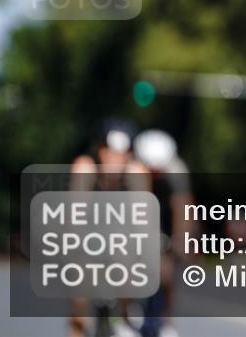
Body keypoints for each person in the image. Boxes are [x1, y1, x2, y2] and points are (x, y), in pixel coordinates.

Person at [69, 119, 149, 337]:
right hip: (87, 240)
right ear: (99, 149)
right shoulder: (85, 167)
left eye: (122, 153)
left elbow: (143, 221)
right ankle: (77, 329)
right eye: (109, 151)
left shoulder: (136, 173)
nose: (115, 159)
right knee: (80, 292)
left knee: (127, 258)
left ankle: (124, 317)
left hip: (122, 243)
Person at [133, 129, 196, 337]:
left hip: (164, 220)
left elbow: (183, 208)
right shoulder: (131, 168)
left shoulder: (177, 169)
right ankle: (124, 318)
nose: (155, 173)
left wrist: (181, 241)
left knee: (166, 271)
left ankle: (166, 318)